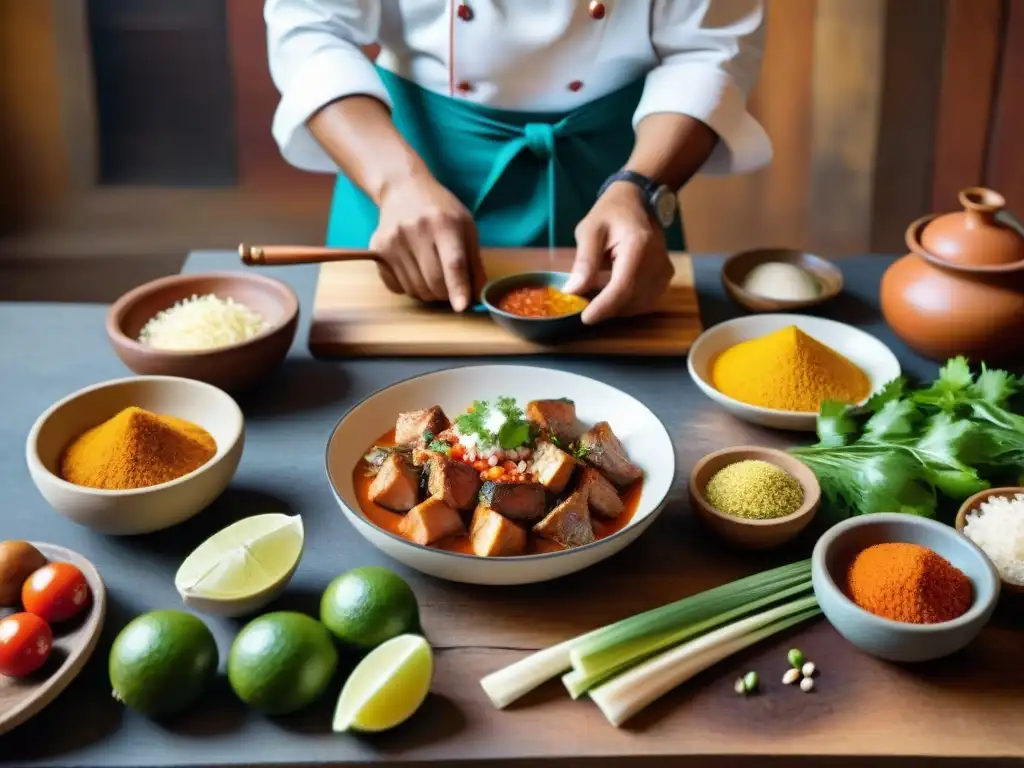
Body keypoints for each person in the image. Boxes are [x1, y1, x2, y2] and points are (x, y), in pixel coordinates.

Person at [265, 0, 771, 324]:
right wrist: (396, 184)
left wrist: (639, 186)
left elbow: (711, 49)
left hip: (614, 169)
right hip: (400, 161)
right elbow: (310, 27)